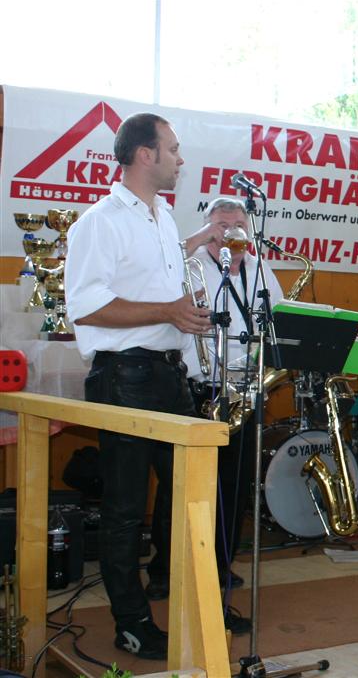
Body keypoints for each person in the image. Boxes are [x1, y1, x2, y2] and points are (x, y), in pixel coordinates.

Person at [65, 112, 216, 660]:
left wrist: (185, 324)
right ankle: (131, 622)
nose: (181, 158)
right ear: (145, 155)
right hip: (124, 377)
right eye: (173, 149)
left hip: (168, 375)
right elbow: (87, 306)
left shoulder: (163, 219)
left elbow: (165, 306)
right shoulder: (100, 222)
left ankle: (192, 602)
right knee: (127, 508)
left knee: (187, 499)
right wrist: (169, 311)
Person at [145, 197, 285, 634]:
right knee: (182, 486)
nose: (230, 230)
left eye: (237, 223)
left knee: (234, 484)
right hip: (198, 385)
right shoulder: (188, 262)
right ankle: (165, 569)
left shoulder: (261, 269)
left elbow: (277, 318)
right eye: (221, 223)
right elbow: (158, 271)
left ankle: (218, 563)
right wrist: (200, 241)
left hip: (245, 388)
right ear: (208, 226)